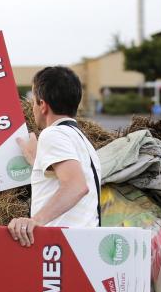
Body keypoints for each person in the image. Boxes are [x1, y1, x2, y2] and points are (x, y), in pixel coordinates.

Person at [8, 66, 101, 247]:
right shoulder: (81, 139)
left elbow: (76, 186)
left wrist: (35, 220)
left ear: (43, 105)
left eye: (34, 102)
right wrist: (37, 161)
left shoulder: (53, 134)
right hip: (82, 246)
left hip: (66, 249)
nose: (32, 107)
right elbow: (66, 178)